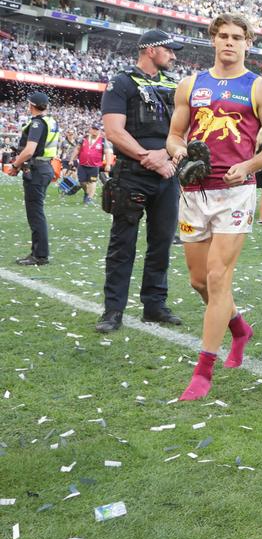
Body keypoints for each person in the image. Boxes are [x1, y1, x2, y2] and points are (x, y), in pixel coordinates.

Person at [167, 13, 262, 401]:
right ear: (213, 40)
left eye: (237, 37)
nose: (230, 43)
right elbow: (173, 136)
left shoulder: (259, 88)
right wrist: (181, 152)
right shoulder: (191, 84)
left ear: (247, 43)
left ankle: (203, 371)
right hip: (194, 192)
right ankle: (238, 327)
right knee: (198, 281)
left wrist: (249, 165)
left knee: (218, 279)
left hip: (235, 193)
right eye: (223, 36)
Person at [96, 30, 184, 334]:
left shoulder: (175, 85)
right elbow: (114, 130)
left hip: (168, 173)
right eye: (170, 50)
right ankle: (113, 310)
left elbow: (187, 132)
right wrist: (150, 157)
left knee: (161, 242)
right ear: (150, 50)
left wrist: (167, 159)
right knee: (123, 244)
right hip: (132, 173)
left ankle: (154, 305)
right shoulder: (121, 82)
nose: (174, 56)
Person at [10, 91, 58, 265]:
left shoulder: (37, 123)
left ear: (31, 105)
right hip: (45, 167)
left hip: (37, 170)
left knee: (35, 213)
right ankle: (39, 253)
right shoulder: (50, 121)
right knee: (37, 212)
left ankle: (40, 255)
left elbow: (30, 150)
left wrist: (15, 165)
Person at [72, 123, 108, 206]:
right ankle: (87, 193)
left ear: (99, 131)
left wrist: (108, 164)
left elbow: (107, 152)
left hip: (94, 165)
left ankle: (89, 198)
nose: (95, 131)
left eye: (97, 129)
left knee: (92, 181)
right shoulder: (83, 139)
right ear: (90, 129)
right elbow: (77, 149)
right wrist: (72, 159)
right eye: (93, 129)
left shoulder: (103, 141)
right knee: (82, 182)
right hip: (82, 164)